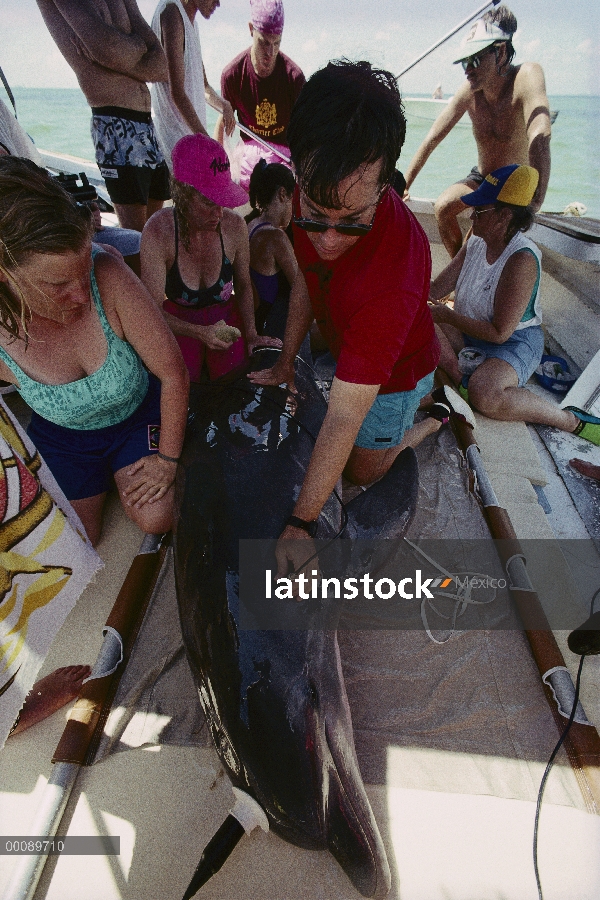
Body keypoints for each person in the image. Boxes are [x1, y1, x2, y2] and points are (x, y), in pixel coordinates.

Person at [247, 60, 474, 574]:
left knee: (363, 471)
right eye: (315, 214)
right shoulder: (316, 197)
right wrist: (287, 360)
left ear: (386, 185)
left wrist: (302, 524)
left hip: (397, 372)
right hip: (349, 332)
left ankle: (434, 419)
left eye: (350, 223)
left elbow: (345, 416)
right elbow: (307, 280)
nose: (326, 239)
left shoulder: (392, 278)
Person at [0, 157, 189, 546]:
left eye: (84, 271)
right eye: (57, 285)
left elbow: (173, 373)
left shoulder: (110, 274)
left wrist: (168, 461)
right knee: (74, 539)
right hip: (64, 437)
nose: (81, 296)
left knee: (158, 515)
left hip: (135, 415)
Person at [429, 164, 600, 448]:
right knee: (419, 317)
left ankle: (570, 420)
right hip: (469, 332)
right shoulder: (476, 240)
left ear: (504, 216)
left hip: (512, 342)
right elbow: (436, 290)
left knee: (486, 396)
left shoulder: (521, 259)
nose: (472, 215)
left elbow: (499, 333)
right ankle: (462, 378)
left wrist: (446, 315)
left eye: (480, 209)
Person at [403, 5, 552, 258]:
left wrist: (536, 199)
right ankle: (461, 275)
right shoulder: (469, 92)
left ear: (501, 52)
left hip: (512, 187)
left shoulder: (527, 75)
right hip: (483, 179)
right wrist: (403, 185)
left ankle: (463, 276)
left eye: (474, 59)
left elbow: (540, 132)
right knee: (442, 208)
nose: (466, 69)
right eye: (464, 60)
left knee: (478, 237)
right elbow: (432, 137)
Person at [140, 134, 281, 383]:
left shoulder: (234, 226)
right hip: (179, 320)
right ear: (182, 192)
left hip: (225, 316)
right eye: (208, 201)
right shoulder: (158, 231)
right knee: (181, 380)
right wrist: (200, 333)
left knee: (235, 380)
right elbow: (150, 311)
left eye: (222, 200)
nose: (219, 212)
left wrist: (251, 334)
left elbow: (245, 285)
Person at [35, 0, 171, 231]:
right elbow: (108, 49)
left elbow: (161, 66)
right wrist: (137, 47)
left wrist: (118, 56)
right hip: (114, 124)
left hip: (147, 125)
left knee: (154, 232)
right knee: (136, 237)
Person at [216, 0, 304, 189]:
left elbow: (306, 130)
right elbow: (223, 122)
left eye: (276, 43)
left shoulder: (294, 77)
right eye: (263, 42)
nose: (270, 53)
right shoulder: (232, 74)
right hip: (249, 154)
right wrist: (219, 164)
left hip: (284, 155)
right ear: (251, 29)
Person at [150, 0, 236, 168]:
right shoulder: (172, 13)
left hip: (189, 145)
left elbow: (203, 86)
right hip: (173, 146)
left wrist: (224, 104)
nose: (218, 4)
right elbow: (178, 94)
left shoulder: (192, 23)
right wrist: (208, 142)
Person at [246, 159, 297, 332]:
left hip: (255, 320)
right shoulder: (275, 238)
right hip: (267, 325)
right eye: (293, 199)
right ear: (283, 194)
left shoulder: (251, 224)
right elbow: (301, 289)